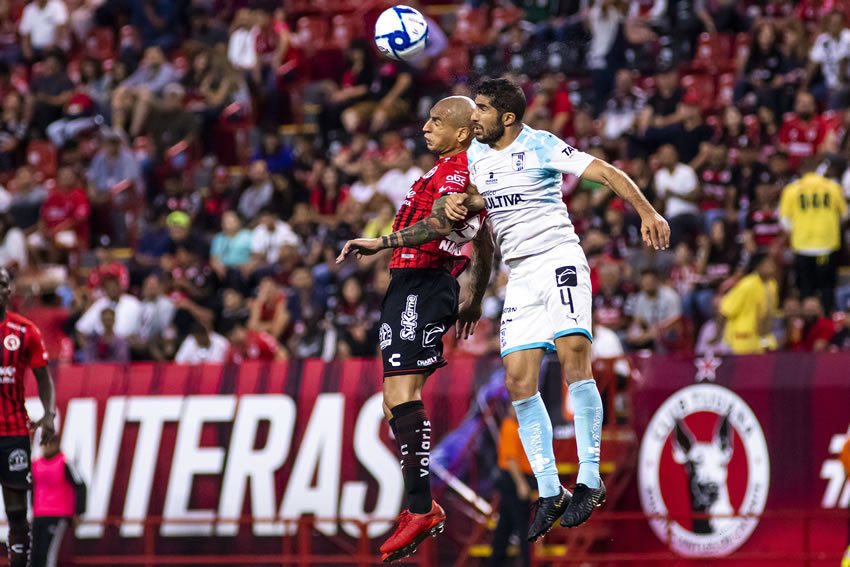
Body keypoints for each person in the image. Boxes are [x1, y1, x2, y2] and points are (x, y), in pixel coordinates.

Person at [444, 78, 669, 535]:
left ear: (507, 117)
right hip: (520, 276)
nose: (474, 116)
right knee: (518, 381)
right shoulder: (475, 156)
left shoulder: (541, 145)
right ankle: (551, 491)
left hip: (559, 259)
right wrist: (458, 203)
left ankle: (589, 478)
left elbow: (607, 173)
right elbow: (482, 207)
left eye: (482, 109)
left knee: (573, 359)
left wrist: (648, 211)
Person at [336, 96, 494, 562]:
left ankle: (422, 509)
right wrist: (474, 296)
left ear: (462, 132)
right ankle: (420, 508)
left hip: (422, 284)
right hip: (411, 284)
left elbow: (441, 223)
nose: (426, 126)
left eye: (437, 120)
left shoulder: (457, 170)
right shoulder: (448, 169)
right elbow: (484, 239)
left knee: (402, 395)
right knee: (393, 401)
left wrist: (381, 242)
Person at [0, 267, 57, 567]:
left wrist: (49, 415)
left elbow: (44, 378)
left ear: (10, 291)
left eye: (2, 284)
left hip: (13, 433)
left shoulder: (25, 331)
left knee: (17, 511)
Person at [779, 159, 847, 312]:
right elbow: (844, 214)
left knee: (805, 287)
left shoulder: (792, 189)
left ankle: (806, 320)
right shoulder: (832, 187)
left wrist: (798, 231)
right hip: (827, 244)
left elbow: (784, 221)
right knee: (827, 286)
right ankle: (827, 316)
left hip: (802, 245)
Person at [31, 434, 86, 567]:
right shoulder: (36, 465)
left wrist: (79, 512)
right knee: (35, 553)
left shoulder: (65, 462)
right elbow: (32, 489)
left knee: (48, 552)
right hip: (39, 514)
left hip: (58, 514)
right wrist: (32, 508)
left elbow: (80, 486)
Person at [490, 404, 534, 567]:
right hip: (515, 479)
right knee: (522, 525)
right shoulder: (510, 426)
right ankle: (527, 562)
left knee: (505, 525)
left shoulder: (518, 427)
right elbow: (511, 459)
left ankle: (496, 561)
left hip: (515, 478)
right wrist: (521, 484)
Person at [713, 253, 778, 354]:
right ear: (758, 266)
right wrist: (717, 336)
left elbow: (770, 312)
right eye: (768, 263)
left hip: (763, 337)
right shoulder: (747, 284)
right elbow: (725, 309)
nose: (772, 266)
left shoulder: (772, 285)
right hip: (743, 337)